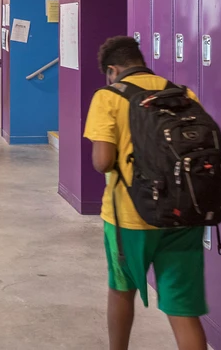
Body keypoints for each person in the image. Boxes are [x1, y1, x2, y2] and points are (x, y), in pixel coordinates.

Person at [84, 36, 207, 350]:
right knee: (183, 308)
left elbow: (102, 162)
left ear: (112, 70)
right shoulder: (182, 93)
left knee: (122, 291)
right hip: (183, 214)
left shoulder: (108, 96)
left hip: (130, 217)